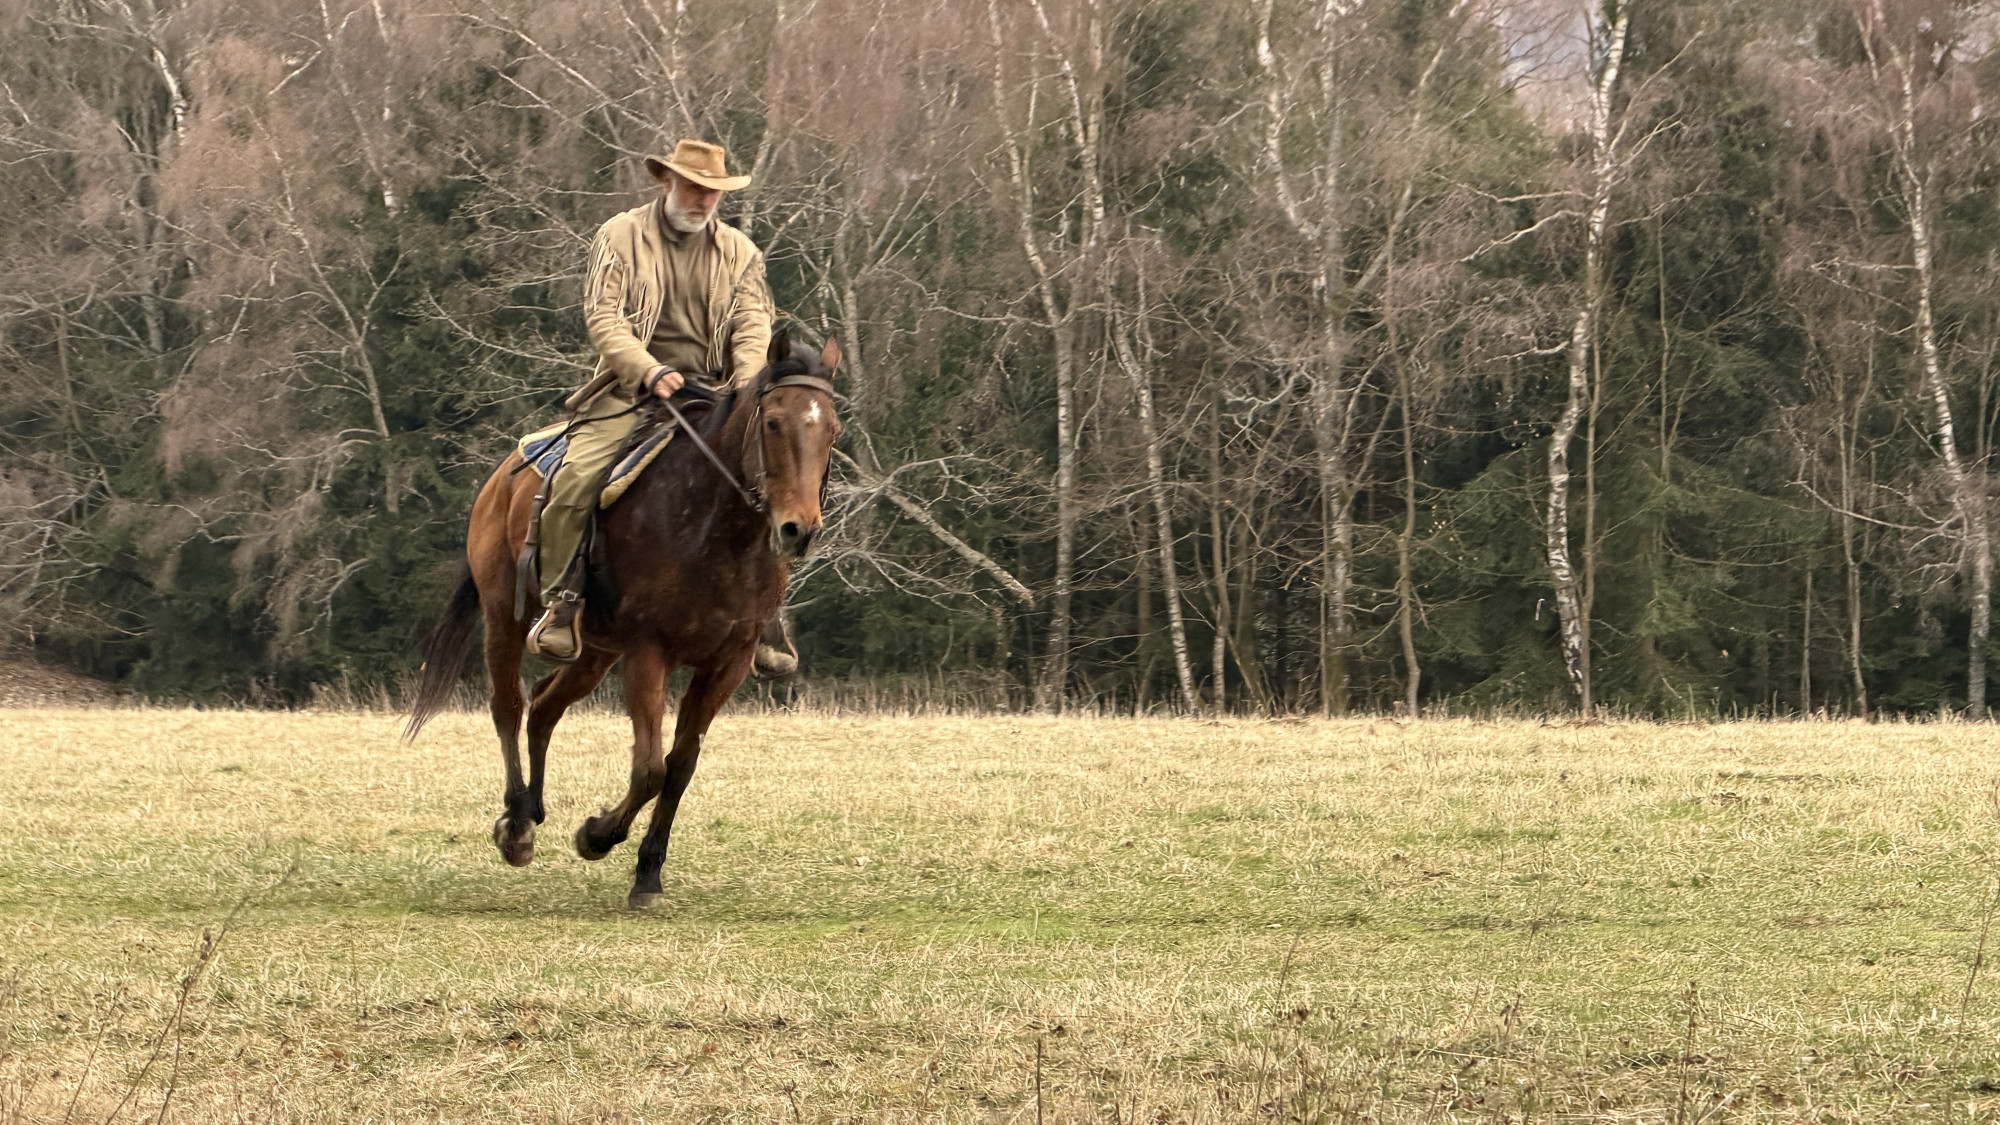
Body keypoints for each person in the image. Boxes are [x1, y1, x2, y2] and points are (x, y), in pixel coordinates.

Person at [526, 138, 791, 676]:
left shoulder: (741, 251)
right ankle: (562, 601)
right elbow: (604, 318)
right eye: (693, 187)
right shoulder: (619, 235)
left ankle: (765, 614)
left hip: (716, 392)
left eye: (712, 192)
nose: (702, 200)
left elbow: (752, 324)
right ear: (667, 182)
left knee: (779, 479)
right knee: (579, 477)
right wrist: (648, 369)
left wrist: (747, 385)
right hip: (632, 390)